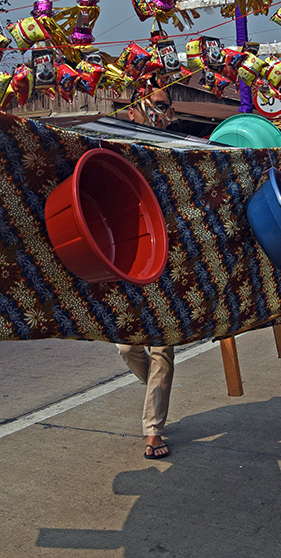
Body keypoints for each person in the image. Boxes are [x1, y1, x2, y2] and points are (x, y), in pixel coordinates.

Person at [117, 83, 176, 459]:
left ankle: (153, 430)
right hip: (129, 257)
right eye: (158, 105)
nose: (165, 113)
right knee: (126, 346)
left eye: (167, 106)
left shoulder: (179, 150)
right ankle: (157, 389)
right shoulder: (117, 145)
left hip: (170, 261)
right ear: (135, 109)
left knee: (161, 348)